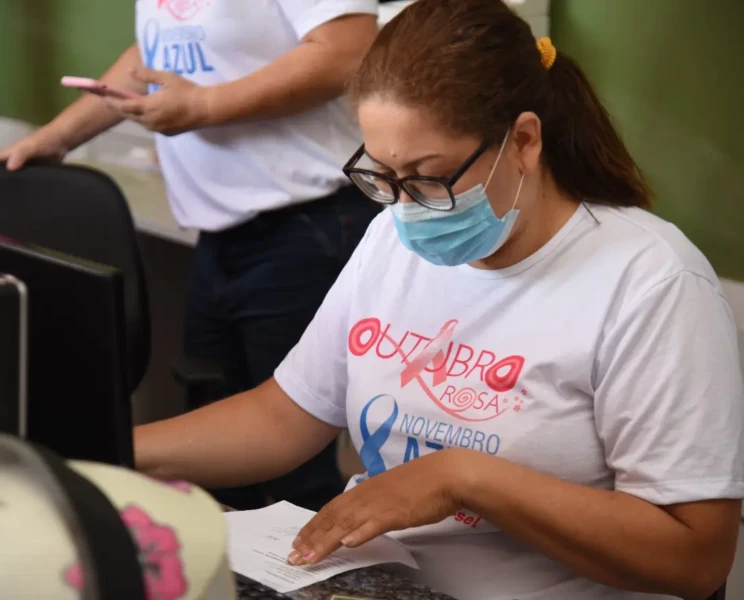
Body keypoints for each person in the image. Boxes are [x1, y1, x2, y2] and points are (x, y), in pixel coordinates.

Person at [134, 0, 744, 598]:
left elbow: (695, 558)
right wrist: (102, 450)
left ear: (525, 141)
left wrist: (465, 479)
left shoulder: (651, 284)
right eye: (382, 176)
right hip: (373, 582)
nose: (404, 207)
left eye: (430, 176)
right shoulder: (392, 237)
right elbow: (284, 416)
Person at [0, 1, 382, 511]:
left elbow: (347, 54)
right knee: (216, 459)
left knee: (293, 467)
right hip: (221, 234)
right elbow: (152, 55)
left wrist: (205, 107)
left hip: (307, 226)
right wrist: (54, 139)